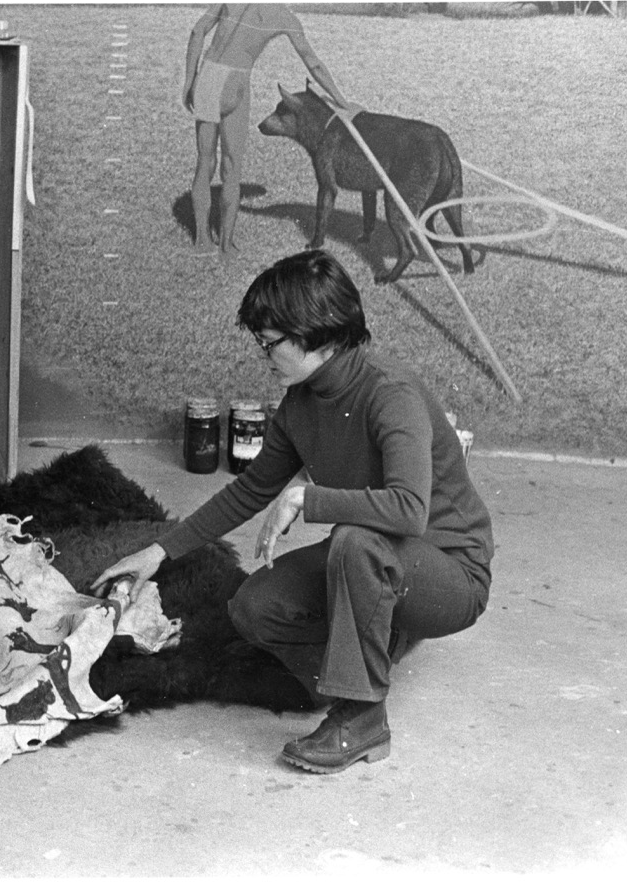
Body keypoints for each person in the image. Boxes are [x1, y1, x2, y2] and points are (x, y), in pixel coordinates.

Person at [91, 249, 493, 773]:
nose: (264, 354)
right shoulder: (302, 402)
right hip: (380, 557)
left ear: (319, 333)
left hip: (448, 572)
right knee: (253, 607)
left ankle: (363, 716)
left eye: (272, 342)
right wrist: (156, 552)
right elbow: (250, 490)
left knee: (354, 541)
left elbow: (411, 511)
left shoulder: (390, 393)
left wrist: (309, 497)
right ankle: (370, 649)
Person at [184, 4, 353, 258]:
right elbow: (313, 64)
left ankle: (202, 240)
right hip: (236, 81)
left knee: (205, 161)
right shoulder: (283, 15)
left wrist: (189, 81)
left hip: (209, 76)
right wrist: (341, 100)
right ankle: (226, 244)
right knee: (232, 167)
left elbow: (198, 32)